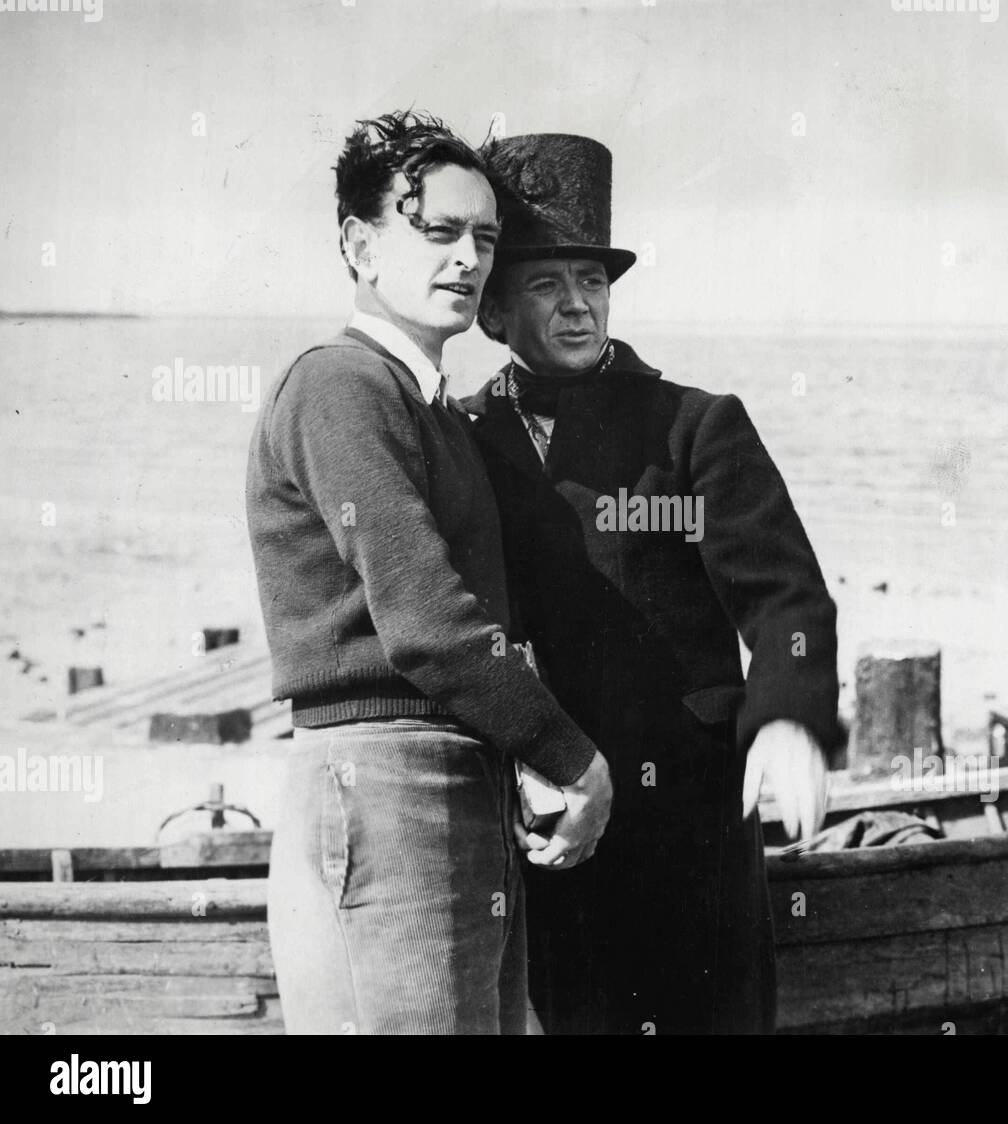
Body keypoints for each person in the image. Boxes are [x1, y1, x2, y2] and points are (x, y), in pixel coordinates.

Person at [462, 132, 844, 1034]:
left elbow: (784, 596)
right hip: (547, 813)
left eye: (592, 281)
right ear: (491, 313)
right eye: (545, 285)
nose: (577, 306)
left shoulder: (693, 426)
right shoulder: (466, 438)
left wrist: (788, 714)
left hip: (692, 819)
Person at [245, 112, 612, 1035]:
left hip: (451, 778)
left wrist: (517, 750)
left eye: (485, 237)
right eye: (439, 231)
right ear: (359, 244)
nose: (469, 258)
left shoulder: (428, 404)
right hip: (388, 779)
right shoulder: (340, 385)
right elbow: (425, 623)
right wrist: (573, 759)